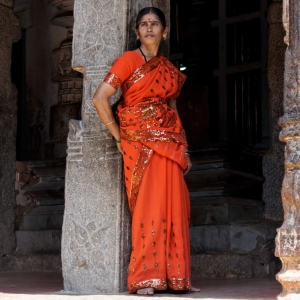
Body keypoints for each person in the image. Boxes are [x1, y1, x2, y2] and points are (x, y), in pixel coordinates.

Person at [92, 7, 200, 295]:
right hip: (137, 144)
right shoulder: (128, 60)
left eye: (154, 24)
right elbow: (100, 98)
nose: (149, 28)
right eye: (143, 24)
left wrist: (184, 148)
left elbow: (173, 109)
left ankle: (176, 278)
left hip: (170, 143)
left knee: (175, 207)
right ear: (137, 32)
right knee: (147, 209)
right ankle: (145, 279)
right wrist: (118, 137)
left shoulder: (168, 70)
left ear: (164, 32)